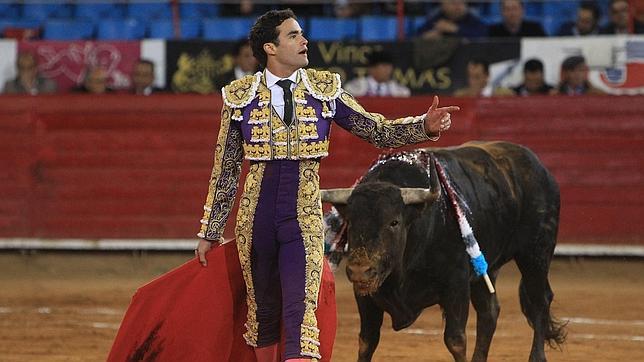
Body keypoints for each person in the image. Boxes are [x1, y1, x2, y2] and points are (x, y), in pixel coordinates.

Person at [194, 9, 459, 362]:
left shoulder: (325, 90)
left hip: (302, 215)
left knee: (303, 314)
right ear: (270, 48)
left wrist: (423, 127)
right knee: (262, 314)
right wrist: (210, 230)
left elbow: (377, 131)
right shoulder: (239, 96)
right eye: (293, 35)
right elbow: (226, 168)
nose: (305, 40)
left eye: (302, 33)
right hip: (253, 219)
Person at [343, 50, 411, 97]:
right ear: (372, 69)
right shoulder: (353, 88)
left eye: (389, 66)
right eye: (384, 66)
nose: (388, 70)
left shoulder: (401, 92)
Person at [416, 0, 487, 40]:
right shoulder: (436, 19)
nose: (458, 7)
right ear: (443, 5)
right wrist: (426, 37)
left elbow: (482, 36)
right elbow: (417, 37)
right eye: (453, 3)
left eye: (461, 3)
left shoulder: (472, 19)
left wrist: (455, 29)